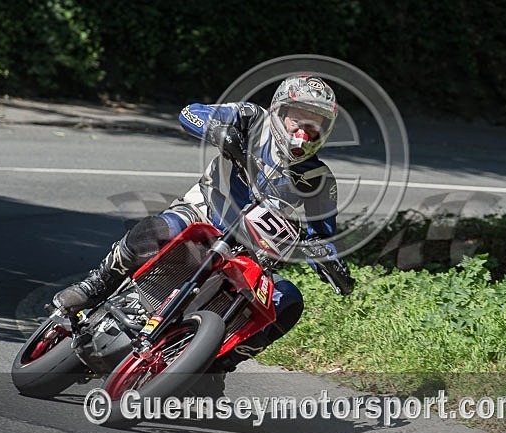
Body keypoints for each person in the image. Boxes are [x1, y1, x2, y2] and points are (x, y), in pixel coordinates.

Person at [52, 74, 354, 368]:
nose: (303, 131)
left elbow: (320, 236)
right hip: (203, 213)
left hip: (249, 256)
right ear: (279, 111)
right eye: (297, 119)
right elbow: (191, 113)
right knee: (159, 229)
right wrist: (218, 131)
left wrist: (332, 264)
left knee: (288, 303)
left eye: (313, 125)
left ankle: (219, 364)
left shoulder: (320, 179)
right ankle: (97, 283)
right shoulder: (251, 118)